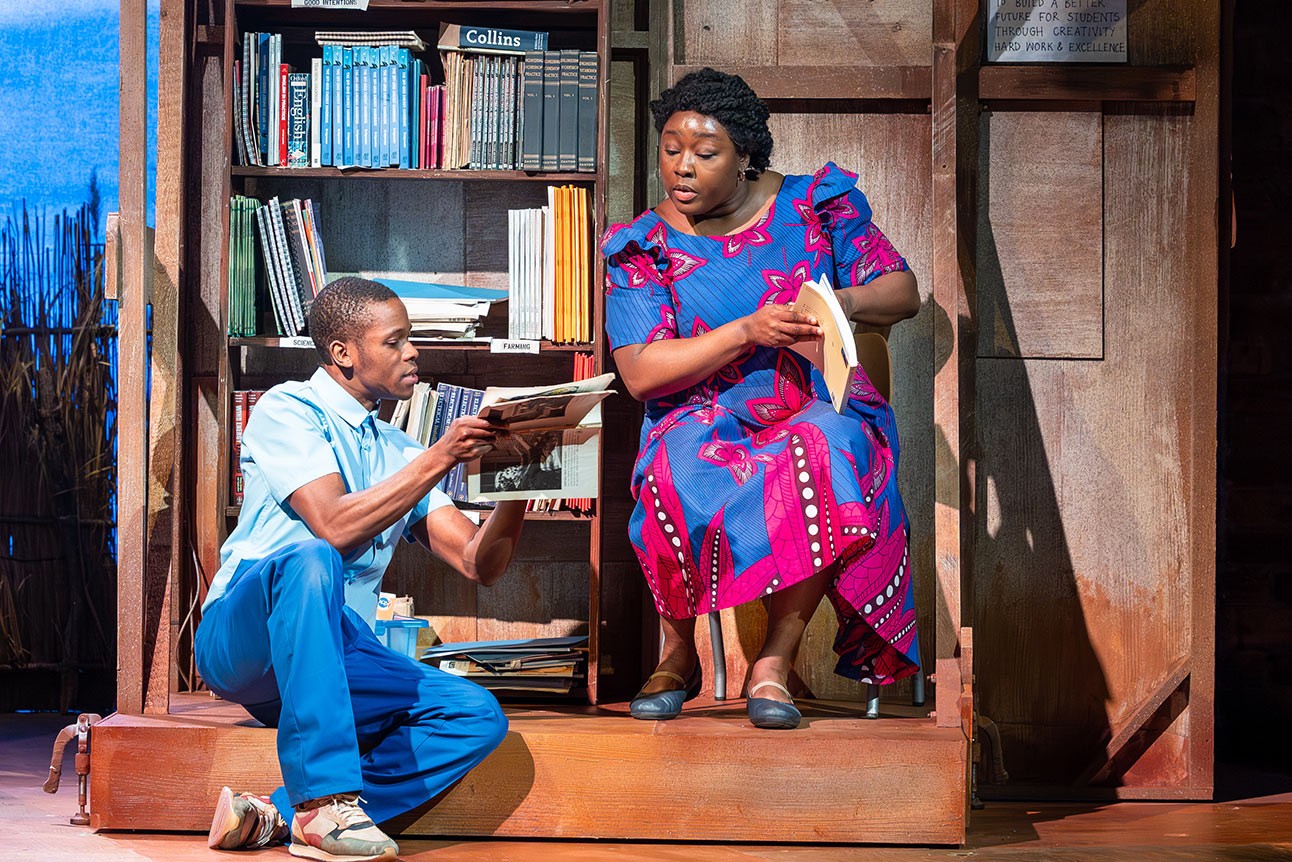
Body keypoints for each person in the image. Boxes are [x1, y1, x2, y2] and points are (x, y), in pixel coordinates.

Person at [601, 68, 922, 730]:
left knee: (825, 447)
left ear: (746, 156)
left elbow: (901, 291)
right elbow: (639, 373)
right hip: (700, 410)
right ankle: (675, 652)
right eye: (670, 148)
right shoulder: (642, 247)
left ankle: (772, 661)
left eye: (705, 152)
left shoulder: (814, 206)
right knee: (672, 467)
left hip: (812, 401)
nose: (682, 167)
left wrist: (841, 303)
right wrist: (746, 330)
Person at [197, 277, 526, 861]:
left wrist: (524, 486)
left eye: (412, 340)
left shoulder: (400, 450)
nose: (413, 352)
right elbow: (333, 526)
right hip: (245, 640)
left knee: (475, 714)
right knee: (310, 557)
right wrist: (441, 456)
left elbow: (480, 564)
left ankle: (277, 813)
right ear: (344, 353)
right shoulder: (286, 409)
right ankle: (325, 803)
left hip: (332, 658)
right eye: (395, 342)